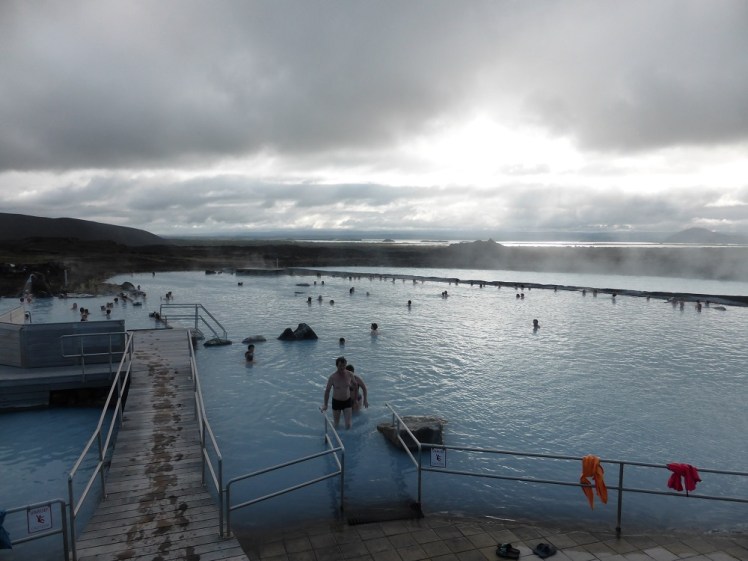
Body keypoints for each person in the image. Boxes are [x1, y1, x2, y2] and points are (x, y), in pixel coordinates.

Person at [322, 356, 355, 429]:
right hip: (336, 402)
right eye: (340, 366)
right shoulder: (333, 377)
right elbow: (327, 391)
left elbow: (354, 385)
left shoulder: (350, 374)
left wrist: (351, 386)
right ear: (337, 366)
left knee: (348, 425)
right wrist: (325, 405)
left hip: (347, 401)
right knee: (336, 425)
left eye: (344, 366)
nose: (342, 368)